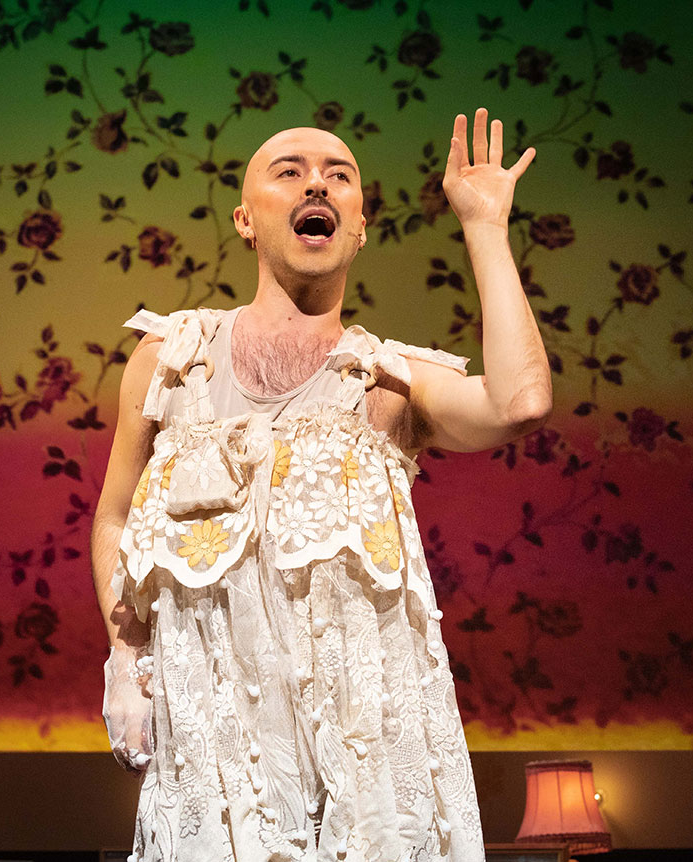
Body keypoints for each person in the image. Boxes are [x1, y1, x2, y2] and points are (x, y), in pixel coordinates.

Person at [91, 107, 551, 861]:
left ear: (359, 226)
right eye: (291, 172)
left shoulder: (390, 381)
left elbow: (519, 402)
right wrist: (123, 659)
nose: (319, 184)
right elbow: (115, 518)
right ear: (246, 220)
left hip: (365, 762)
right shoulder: (170, 361)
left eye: (341, 177)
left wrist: (486, 227)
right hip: (216, 749)